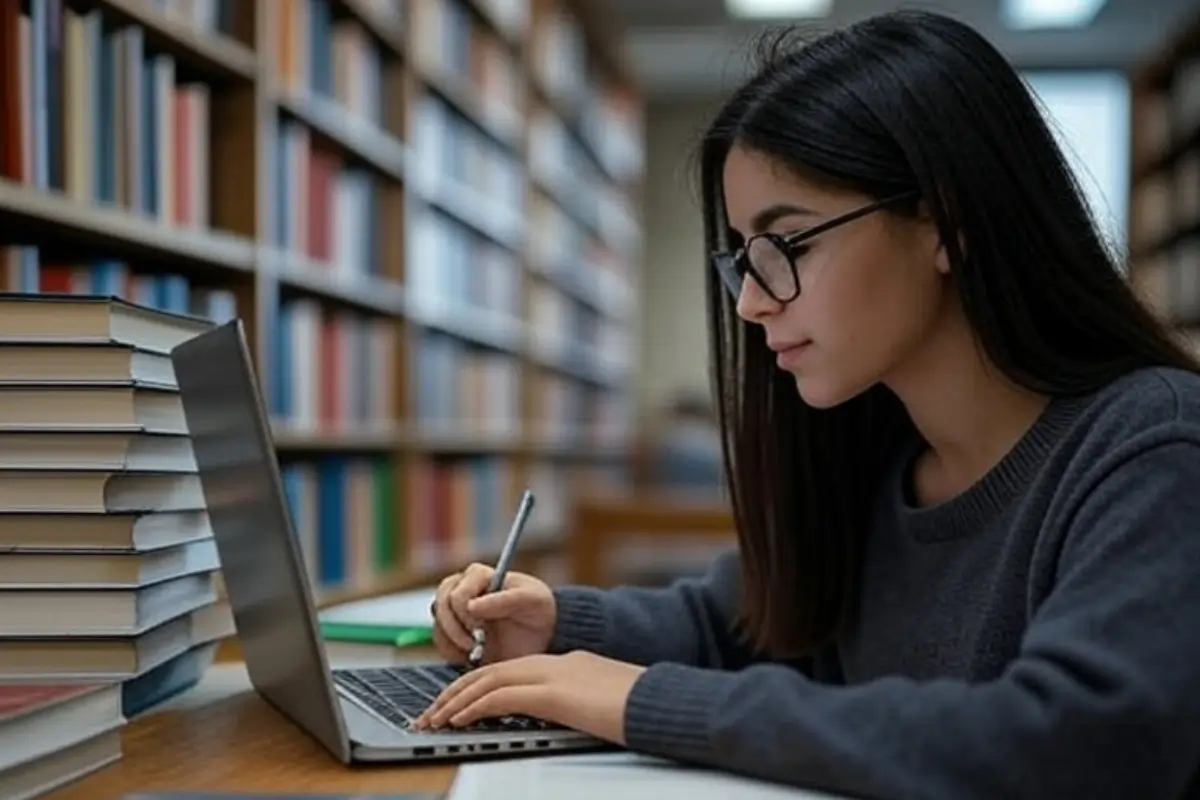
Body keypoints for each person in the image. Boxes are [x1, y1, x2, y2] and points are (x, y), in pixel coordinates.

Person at [417, 9, 1200, 799]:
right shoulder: (877, 455)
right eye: (741, 260)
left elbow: (1079, 742)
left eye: (787, 246)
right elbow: (748, 623)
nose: (751, 304)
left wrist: (651, 704)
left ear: (947, 223)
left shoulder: (1153, 447)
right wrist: (557, 625)